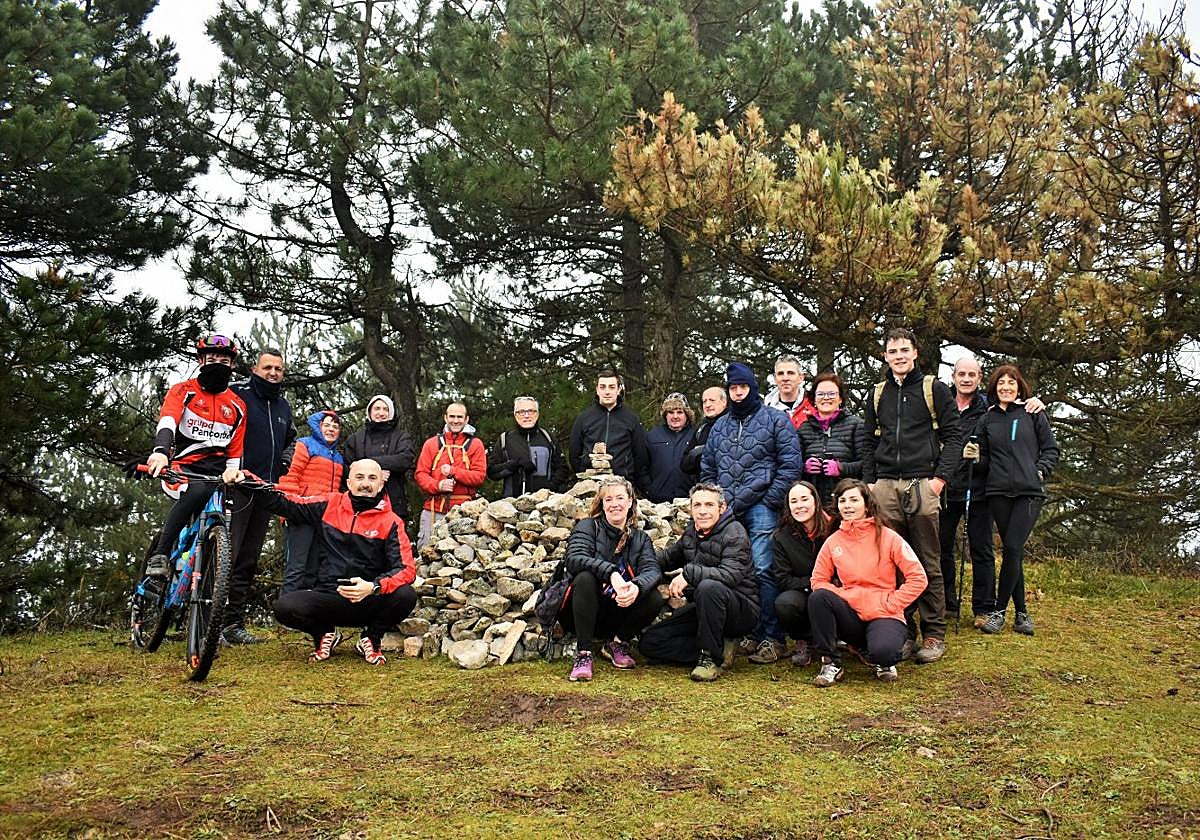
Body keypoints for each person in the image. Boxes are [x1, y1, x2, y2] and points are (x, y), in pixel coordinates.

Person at [862, 327, 962, 664]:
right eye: (893, 351)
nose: (899, 356)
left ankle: (933, 633)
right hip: (886, 485)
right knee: (892, 565)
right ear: (885, 356)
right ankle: (903, 633)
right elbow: (868, 441)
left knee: (927, 561)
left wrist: (939, 481)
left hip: (923, 483)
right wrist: (871, 483)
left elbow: (955, 437)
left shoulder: (934, 389)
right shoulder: (878, 394)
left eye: (905, 349)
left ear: (915, 352)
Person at [256, 459, 418, 665]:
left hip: (368, 599)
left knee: (406, 595)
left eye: (372, 478)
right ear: (349, 482)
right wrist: (245, 479)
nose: (365, 483)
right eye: (359, 477)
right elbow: (286, 503)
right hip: (329, 597)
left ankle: (372, 638)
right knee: (284, 607)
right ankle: (324, 634)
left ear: (380, 485)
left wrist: (374, 586)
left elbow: (406, 569)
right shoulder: (329, 504)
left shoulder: (392, 521)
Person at [700, 362, 803, 664]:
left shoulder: (775, 421)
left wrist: (771, 500)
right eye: (733, 388)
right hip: (728, 511)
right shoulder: (720, 426)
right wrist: (715, 503)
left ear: (753, 387)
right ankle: (751, 632)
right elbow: (708, 466)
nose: (738, 392)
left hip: (761, 507)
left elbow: (790, 465)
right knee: (739, 573)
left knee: (762, 569)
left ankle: (773, 638)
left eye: (743, 387)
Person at [939, 355, 1046, 626]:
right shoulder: (942, 404)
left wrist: (1036, 402)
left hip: (980, 488)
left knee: (982, 548)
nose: (966, 379)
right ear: (953, 376)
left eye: (971, 375)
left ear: (979, 377)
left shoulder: (988, 408)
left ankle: (985, 608)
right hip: (944, 486)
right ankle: (947, 603)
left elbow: (1016, 417)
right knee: (941, 549)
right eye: (961, 374)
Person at [963, 364, 1059, 636]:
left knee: (1013, 548)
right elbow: (981, 460)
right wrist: (973, 456)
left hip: (1029, 492)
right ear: (994, 388)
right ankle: (1022, 614)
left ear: (1020, 386)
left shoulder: (1032, 412)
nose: (1006, 387)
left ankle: (998, 612)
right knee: (1012, 552)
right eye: (1001, 383)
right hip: (998, 492)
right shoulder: (988, 418)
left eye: (1011, 382)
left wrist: (1039, 470)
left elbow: (1051, 449)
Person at [143, 334, 246, 579]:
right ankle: (161, 553)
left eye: (224, 360)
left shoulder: (238, 405)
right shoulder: (183, 391)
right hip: (180, 470)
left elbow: (235, 448)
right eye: (211, 359)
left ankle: (211, 582)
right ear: (201, 360)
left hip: (216, 476)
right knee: (197, 491)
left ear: (232, 365)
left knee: (230, 514)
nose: (217, 364)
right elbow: (168, 420)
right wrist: (160, 453)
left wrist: (233, 472)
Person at [809, 479, 928, 686]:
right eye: (842, 500)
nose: (847, 505)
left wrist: (893, 602)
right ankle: (831, 663)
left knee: (883, 653)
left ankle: (881, 658)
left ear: (866, 504)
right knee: (819, 598)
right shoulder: (833, 541)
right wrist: (845, 595)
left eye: (854, 500)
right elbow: (818, 580)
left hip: (884, 612)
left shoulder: (889, 537)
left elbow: (918, 577)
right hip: (852, 615)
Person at [639, 482, 760, 681]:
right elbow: (667, 559)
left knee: (708, 587)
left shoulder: (735, 533)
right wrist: (635, 563)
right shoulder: (691, 533)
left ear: (721, 508)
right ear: (691, 508)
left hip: (740, 610)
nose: (702, 511)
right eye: (697, 505)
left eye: (709, 505)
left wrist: (689, 574)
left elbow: (730, 575)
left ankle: (710, 659)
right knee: (650, 643)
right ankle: (720, 650)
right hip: (705, 609)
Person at [224, 348, 295, 645]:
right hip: (234, 486)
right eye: (268, 367)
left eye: (278, 369)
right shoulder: (237, 394)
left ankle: (232, 625)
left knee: (248, 558)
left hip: (264, 489)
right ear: (255, 368)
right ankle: (201, 620)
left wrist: (283, 464)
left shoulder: (283, 406)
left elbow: (291, 440)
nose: (273, 373)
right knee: (226, 553)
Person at [560, 476, 663, 682]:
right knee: (585, 578)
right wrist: (612, 573)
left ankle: (617, 642)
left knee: (654, 597)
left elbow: (652, 570)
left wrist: (636, 587)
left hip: (617, 611)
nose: (614, 504)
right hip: (581, 610)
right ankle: (584, 654)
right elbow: (574, 558)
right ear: (602, 504)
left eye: (620, 498)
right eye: (608, 500)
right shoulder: (588, 527)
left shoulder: (640, 538)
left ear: (630, 502)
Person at [277, 410, 346, 593]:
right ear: (318, 426)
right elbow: (290, 477)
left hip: (324, 517)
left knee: (313, 568)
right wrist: (289, 509)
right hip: (300, 513)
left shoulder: (338, 457)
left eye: (335, 426)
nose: (331, 429)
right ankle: (287, 613)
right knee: (296, 567)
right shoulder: (304, 445)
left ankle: (304, 615)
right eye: (327, 425)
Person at [772, 480, 832, 668]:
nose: (799, 506)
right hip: (804, 589)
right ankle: (804, 640)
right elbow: (782, 579)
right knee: (785, 603)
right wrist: (814, 583)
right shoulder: (781, 537)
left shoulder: (834, 528)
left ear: (815, 501)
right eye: (794, 501)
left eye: (804, 499)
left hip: (835, 589)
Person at [414, 402, 487, 548]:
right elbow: (420, 474)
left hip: (464, 511)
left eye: (459, 417)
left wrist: (454, 472)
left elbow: (479, 476)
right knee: (426, 554)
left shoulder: (475, 444)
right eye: (452, 416)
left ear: (466, 419)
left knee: (462, 558)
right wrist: (438, 485)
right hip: (433, 509)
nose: (455, 420)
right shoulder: (431, 444)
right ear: (445, 418)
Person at [568, 369, 650, 489]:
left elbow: (640, 455)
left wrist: (628, 474)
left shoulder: (631, 419)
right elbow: (574, 453)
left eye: (611, 387)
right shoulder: (584, 418)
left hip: (622, 483)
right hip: (591, 483)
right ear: (597, 390)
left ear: (619, 390)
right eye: (603, 387)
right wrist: (585, 469)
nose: (607, 392)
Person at [343, 394, 416, 526]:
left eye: (385, 409)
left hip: (394, 502)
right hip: (359, 504)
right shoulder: (354, 439)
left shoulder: (401, 437)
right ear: (370, 411)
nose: (381, 413)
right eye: (377, 408)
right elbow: (347, 468)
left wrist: (368, 465)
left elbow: (405, 459)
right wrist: (375, 473)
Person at [797, 372, 866, 507]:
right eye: (821, 394)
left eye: (832, 394)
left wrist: (841, 468)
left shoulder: (856, 425)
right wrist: (804, 467)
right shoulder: (803, 429)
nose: (826, 398)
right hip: (814, 502)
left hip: (846, 501)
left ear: (840, 398)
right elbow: (792, 464)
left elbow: (866, 464)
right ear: (814, 399)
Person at [486, 395, 569, 497]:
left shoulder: (548, 437)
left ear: (537, 414)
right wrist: (514, 464)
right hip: (513, 505)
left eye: (531, 411)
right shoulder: (505, 439)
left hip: (545, 504)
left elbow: (563, 468)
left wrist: (550, 487)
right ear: (515, 415)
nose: (526, 415)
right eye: (521, 412)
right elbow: (492, 473)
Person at [644, 392, 695, 503]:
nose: (675, 416)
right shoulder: (652, 435)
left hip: (688, 500)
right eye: (671, 412)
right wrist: (649, 489)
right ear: (665, 415)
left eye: (680, 412)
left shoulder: (695, 436)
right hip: (658, 501)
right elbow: (642, 466)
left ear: (687, 415)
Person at [680, 386, 728, 477]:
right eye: (704, 401)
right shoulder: (701, 429)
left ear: (724, 402)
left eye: (712, 400)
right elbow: (684, 465)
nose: (707, 405)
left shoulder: (735, 424)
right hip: (705, 486)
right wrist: (697, 453)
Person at [764, 354, 815, 428]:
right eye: (780, 373)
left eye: (790, 373)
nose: (785, 378)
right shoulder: (764, 412)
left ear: (801, 378)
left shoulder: (814, 405)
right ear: (775, 378)